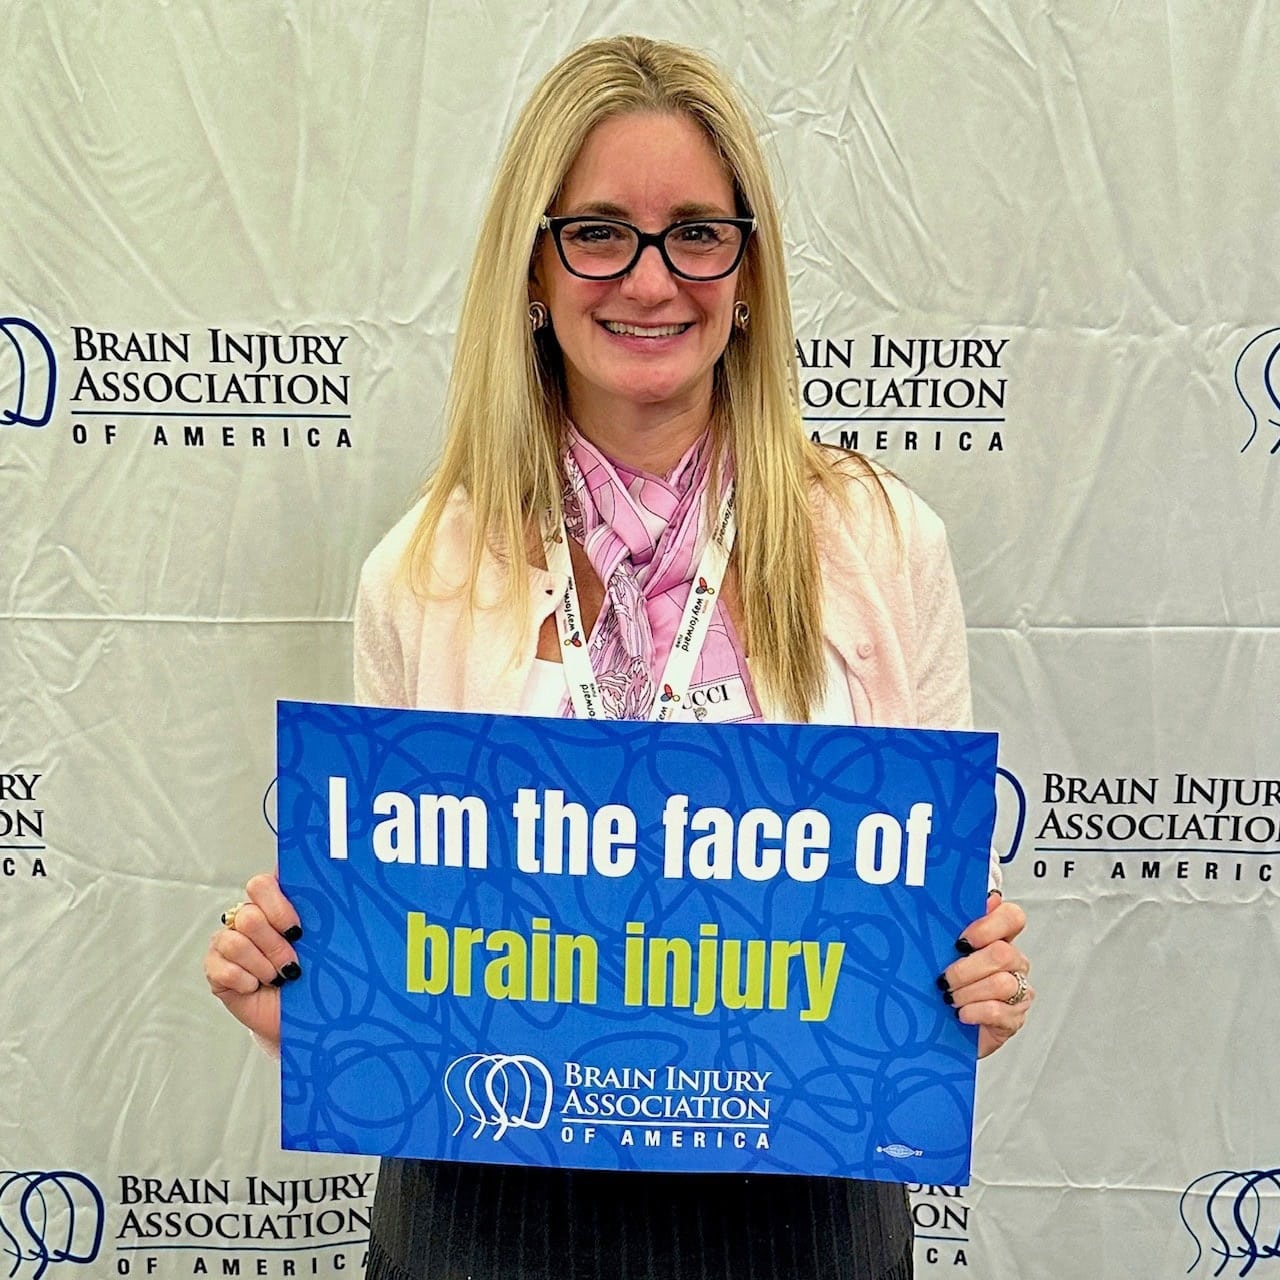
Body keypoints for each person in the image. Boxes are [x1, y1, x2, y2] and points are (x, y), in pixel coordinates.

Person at [204, 34, 1034, 1280]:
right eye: (598, 231)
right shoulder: (419, 570)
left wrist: (966, 986)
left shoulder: (878, 542)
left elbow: (930, 926)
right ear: (532, 270)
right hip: (487, 1209)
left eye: (697, 232)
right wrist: (304, 997)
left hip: (799, 1207)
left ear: (747, 274)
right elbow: (396, 940)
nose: (651, 279)